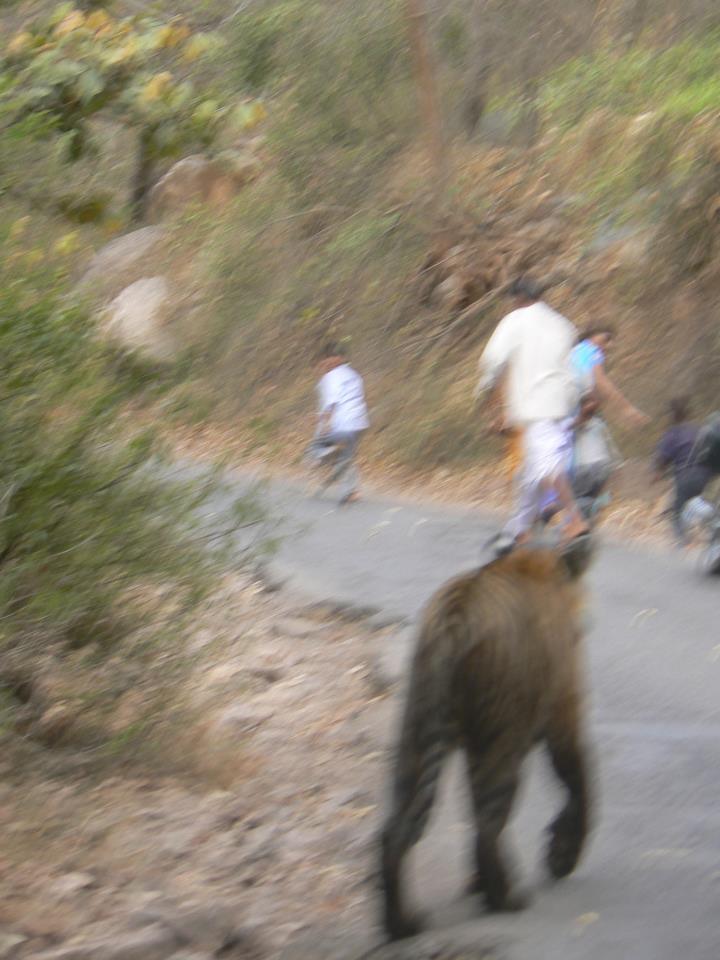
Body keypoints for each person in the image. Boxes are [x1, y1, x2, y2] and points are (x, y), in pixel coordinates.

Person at [475, 277, 587, 543]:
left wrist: (485, 398)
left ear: (517, 299)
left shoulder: (515, 320)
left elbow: (493, 362)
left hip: (537, 408)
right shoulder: (563, 325)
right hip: (562, 407)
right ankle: (520, 529)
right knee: (530, 473)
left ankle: (575, 521)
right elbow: (574, 371)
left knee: (547, 467)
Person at [307, 341, 369, 505]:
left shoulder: (331, 376)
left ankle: (327, 455)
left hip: (341, 422)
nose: (327, 362)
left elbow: (331, 401)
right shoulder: (354, 375)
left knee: (314, 448)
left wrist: (324, 422)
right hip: (359, 423)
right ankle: (351, 492)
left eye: (329, 358)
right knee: (346, 458)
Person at [653, 396, 713, 544]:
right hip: (704, 474)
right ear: (688, 413)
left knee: (676, 511)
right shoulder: (698, 430)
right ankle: (710, 527)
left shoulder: (672, 434)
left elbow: (662, 459)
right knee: (696, 500)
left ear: (672, 416)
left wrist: (657, 474)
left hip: (685, 475)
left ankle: (682, 542)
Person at [571, 326, 648, 428]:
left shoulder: (576, 350)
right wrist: (627, 408)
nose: (609, 345)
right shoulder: (592, 351)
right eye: (607, 338)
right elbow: (602, 382)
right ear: (593, 334)